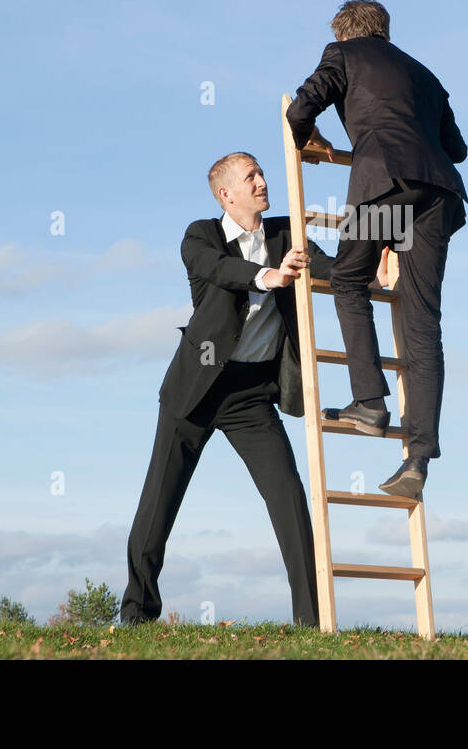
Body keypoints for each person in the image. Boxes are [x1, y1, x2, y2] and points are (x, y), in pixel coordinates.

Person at [120, 152, 337, 627]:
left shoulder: (284, 233)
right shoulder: (201, 235)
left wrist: (375, 275)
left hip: (251, 394)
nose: (262, 181)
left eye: (261, 173)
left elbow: (329, 269)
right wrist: (268, 275)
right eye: (251, 176)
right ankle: (136, 613)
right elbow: (218, 269)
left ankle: (313, 621)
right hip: (195, 390)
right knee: (160, 502)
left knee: (288, 497)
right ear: (227, 194)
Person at [285, 0, 468, 499]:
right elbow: (458, 150)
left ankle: (369, 401)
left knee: (346, 280)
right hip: (438, 195)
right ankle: (418, 457)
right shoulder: (426, 75)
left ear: (345, 33)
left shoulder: (343, 54)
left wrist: (310, 137)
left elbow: (300, 108)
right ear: (385, 31)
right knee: (423, 322)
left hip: (385, 184)